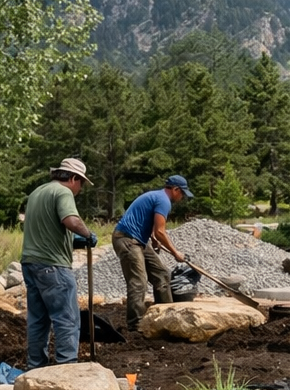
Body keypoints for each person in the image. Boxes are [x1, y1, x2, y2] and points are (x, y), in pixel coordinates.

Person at [20, 158, 99, 369]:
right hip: (53, 266)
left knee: (38, 320)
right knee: (67, 319)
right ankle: (67, 368)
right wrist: (87, 234)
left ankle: (35, 368)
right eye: (81, 184)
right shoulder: (63, 193)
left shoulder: (37, 192)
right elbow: (71, 221)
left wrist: (74, 241)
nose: (79, 189)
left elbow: (45, 230)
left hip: (30, 263)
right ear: (73, 178)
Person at [112, 175, 191, 331]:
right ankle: (136, 325)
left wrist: (154, 239)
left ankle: (166, 316)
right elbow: (161, 231)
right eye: (182, 193)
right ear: (175, 189)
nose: (182, 197)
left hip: (138, 240)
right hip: (127, 240)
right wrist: (176, 253)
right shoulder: (164, 201)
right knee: (138, 282)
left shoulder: (157, 197)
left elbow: (153, 229)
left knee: (162, 274)